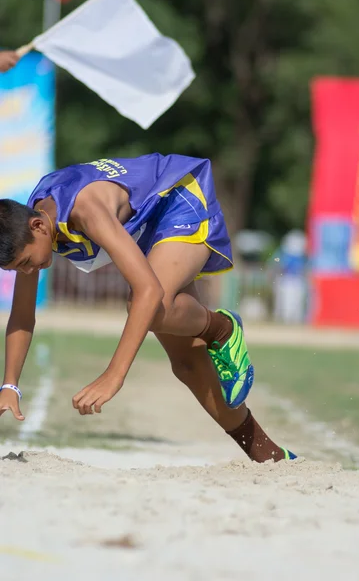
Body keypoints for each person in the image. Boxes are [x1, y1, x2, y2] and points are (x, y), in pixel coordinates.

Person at [0, 155, 297, 463]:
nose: (25, 272)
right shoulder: (32, 226)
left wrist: (114, 374)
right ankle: (269, 455)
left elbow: (149, 291)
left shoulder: (84, 209)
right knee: (186, 362)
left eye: (24, 263)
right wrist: (10, 384)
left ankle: (222, 329)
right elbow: (22, 315)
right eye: (16, 269)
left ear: (38, 226)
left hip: (178, 197)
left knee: (151, 307)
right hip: (145, 223)